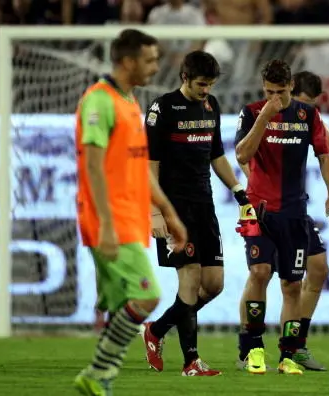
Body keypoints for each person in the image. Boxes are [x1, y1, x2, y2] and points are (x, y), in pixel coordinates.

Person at [74, 29, 187, 396]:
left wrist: (168, 211)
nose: (156, 67)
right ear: (127, 61)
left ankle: (99, 378)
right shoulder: (99, 102)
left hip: (127, 219)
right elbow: (92, 167)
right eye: (150, 60)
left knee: (121, 305)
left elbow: (138, 168)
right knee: (147, 296)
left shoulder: (130, 101)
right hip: (108, 221)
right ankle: (97, 372)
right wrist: (105, 224)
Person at [140, 50, 257, 376]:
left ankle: (157, 330)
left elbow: (217, 154)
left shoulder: (211, 106)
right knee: (189, 280)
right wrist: (154, 212)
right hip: (174, 207)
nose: (206, 90)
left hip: (204, 205)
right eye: (201, 84)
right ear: (185, 78)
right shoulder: (162, 108)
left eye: (210, 84)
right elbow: (149, 166)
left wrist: (239, 192)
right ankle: (191, 361)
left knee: (214, 284)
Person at [234, 60, 329, 375]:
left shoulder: (308, 115)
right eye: (269, 92)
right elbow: (242, 154)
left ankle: (288, 356)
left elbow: (325, 154)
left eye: (280, 92)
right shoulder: (252, 112)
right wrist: (265, 117)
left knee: (292, 285)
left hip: (295, 213)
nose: (275, 98)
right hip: (259, 211)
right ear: (262, 88)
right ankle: (253, 349)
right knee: (260, 273)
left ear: (291, 86)